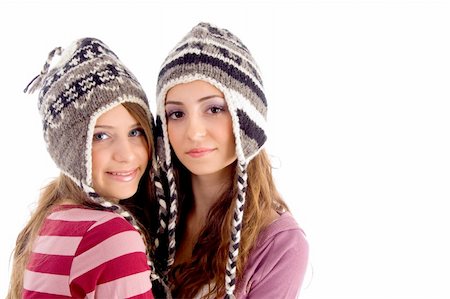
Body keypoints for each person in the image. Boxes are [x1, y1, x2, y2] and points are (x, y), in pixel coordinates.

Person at [154, 22, 309, 298]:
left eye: (214, 109)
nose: (194, 132)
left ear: (247, 118)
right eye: (176, 114)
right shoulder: (150, 213)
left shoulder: (279, 243)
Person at [7, 37, 157, 298]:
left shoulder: (48, 220)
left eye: (135, 132)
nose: (127, 154)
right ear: (68, 151)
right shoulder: (112, 236)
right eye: (101, 136)